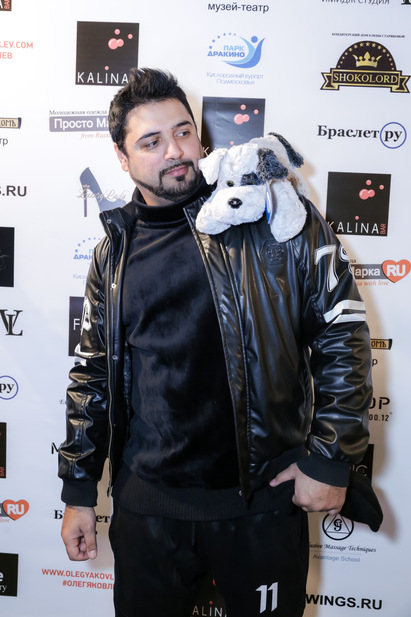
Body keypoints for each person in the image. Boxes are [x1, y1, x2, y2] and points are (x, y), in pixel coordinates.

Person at [58, 67, 373, 617]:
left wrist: (329, 459)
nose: (175, 151)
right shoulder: (114, 251)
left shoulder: (271, 211)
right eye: (151, 142)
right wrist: (79, 492)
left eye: (183, 131)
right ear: (122, 157)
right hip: (147, 509)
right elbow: (92, 373)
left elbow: (342, 335)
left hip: (260, 505)